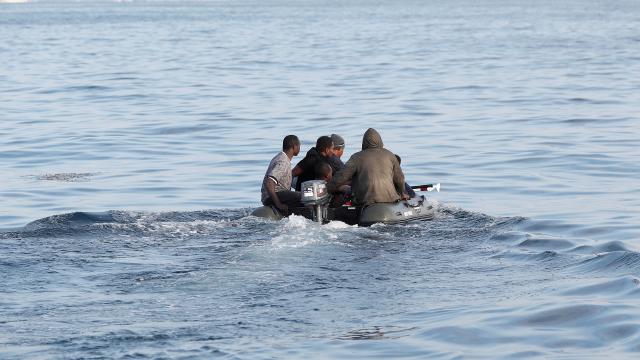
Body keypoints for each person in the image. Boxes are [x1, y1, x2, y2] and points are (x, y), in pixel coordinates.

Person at [328, 128, 409, 206]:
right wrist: (402, 193)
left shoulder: (356, 157)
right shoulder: (390, 155)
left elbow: (341, 176)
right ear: (380, 141)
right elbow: (400, 179)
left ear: (364, 142)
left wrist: (327, 188)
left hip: (364, 201)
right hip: (389, 199)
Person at [261, 135, 302, 212]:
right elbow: (269, 182)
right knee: (303, 196)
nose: (300, 148)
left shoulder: (281, 157)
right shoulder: (283, 161)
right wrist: (278, 204)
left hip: (277, 194)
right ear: (294, 146)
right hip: (271, 196)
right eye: (299, 145)